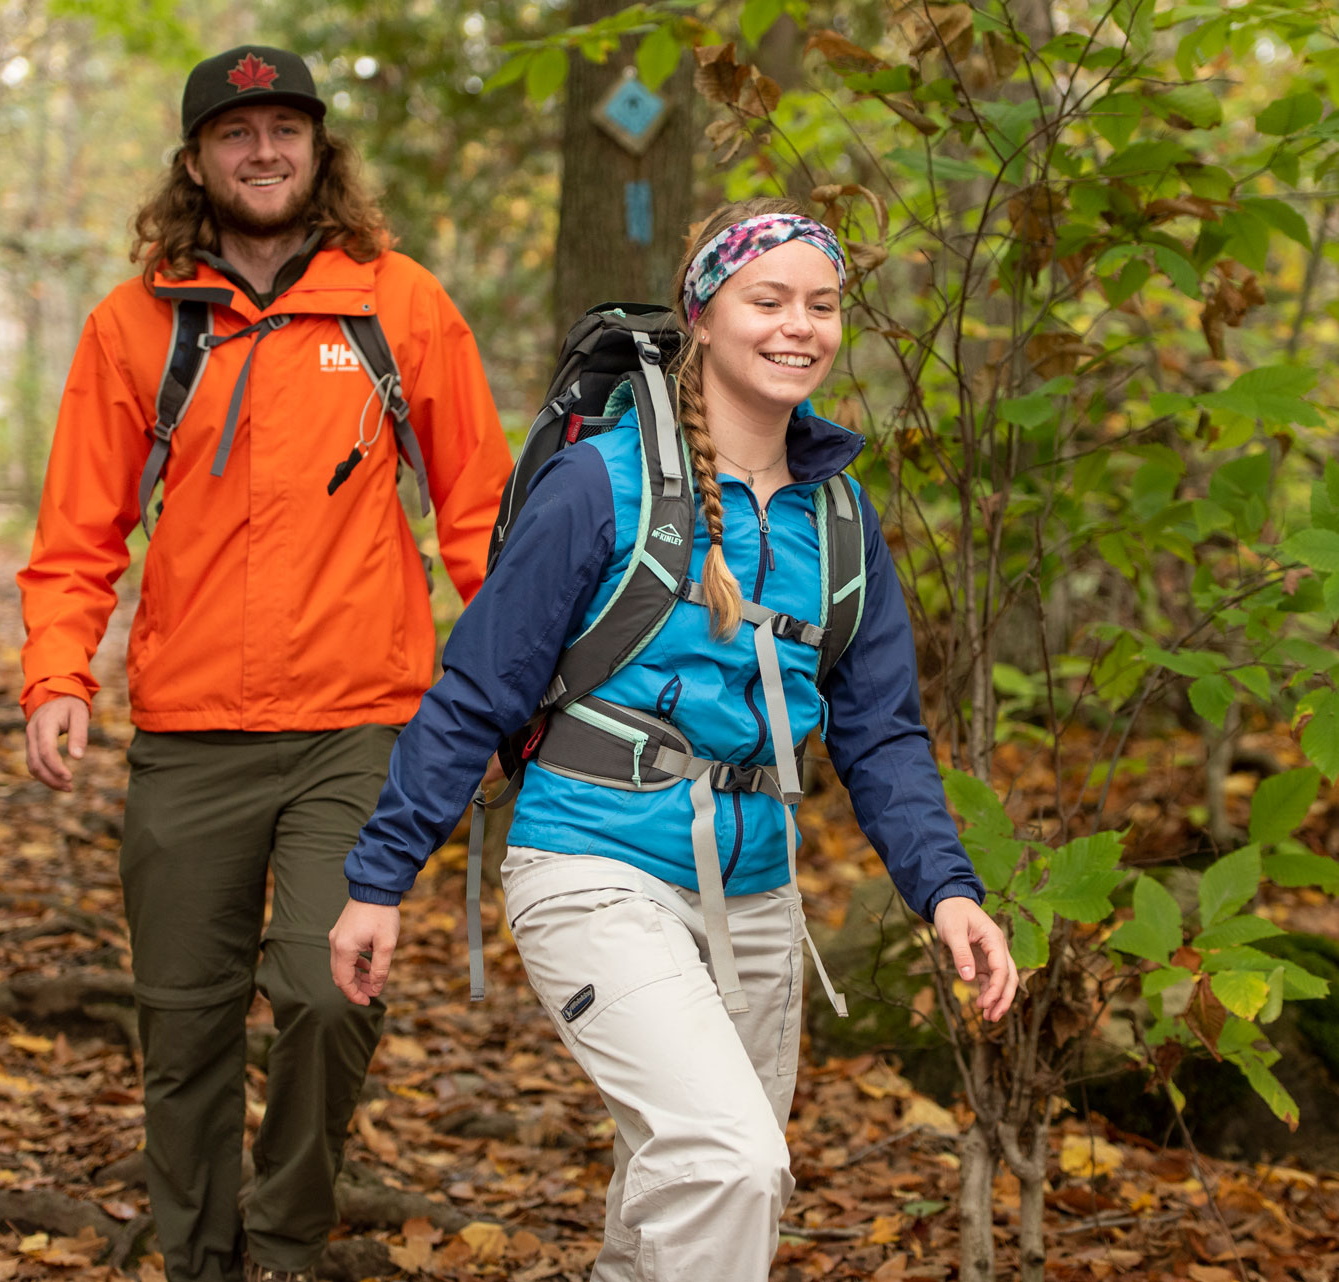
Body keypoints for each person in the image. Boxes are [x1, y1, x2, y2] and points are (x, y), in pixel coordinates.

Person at [327, 197, 1019, 1280]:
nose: (801, 325)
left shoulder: (839, 517)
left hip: (755, 896)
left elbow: (882, 735)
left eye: (824, 305)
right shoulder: (598, 482)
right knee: (730, 1163)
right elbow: (479, 688)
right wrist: (380, 878)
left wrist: (948, 890)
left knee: (678, 1196)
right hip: (592, 865)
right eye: (769, 299)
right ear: (701, 313)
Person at [15, 45, 513, 1282]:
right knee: (182, 1028)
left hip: (359, 726)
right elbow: (80, 529)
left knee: (328, 993)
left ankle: (289, 1243)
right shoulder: (135, 323)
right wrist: (57, 675)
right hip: (188, 738)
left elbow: (481, 520)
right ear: (196, 160)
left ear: (319, 148)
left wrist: (516, 695)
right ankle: (200, 1256)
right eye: (236, 133)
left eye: (287, 127)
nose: (264, 150)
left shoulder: (400, 305)